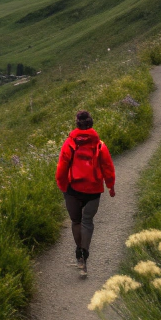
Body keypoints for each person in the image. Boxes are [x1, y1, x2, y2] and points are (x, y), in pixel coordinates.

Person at [55, 109, 115, 276]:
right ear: (91, 123)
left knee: (76, 221)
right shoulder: (99, 145)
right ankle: (84, 256)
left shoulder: (69, 144)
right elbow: (108, 168)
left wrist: (62, 185)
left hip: (72, 190)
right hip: (93, 191)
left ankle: (79, 255)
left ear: (77, 124)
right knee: (87, 222)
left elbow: (61, 169)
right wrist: (110, 186)